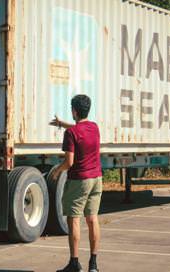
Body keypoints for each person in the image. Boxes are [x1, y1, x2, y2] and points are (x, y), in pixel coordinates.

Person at [50, 95, 102, 272]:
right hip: (97, 179)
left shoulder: (70, 134)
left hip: (80, 180)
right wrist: (61, 123)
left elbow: (69, 162)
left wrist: (57, 170)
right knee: (92, 219)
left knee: (74, 220)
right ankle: (93, 265)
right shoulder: (94, 128)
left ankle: (74, 263)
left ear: (74, 110)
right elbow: (80, 129)